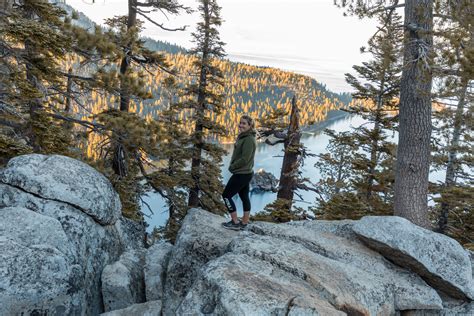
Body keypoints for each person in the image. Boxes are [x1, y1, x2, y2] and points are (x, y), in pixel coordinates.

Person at [222, 114, 257, 231]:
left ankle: (235, 222)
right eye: (240, 123)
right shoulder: (244, 136)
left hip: (242, 173)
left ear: (250, 125)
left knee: (226, 195)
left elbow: (245, 159)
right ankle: (244, 222)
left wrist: (232, 167)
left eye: (244, 123)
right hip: (245, 173)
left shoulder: (248, 139)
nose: (241, 125)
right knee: (244, 196)